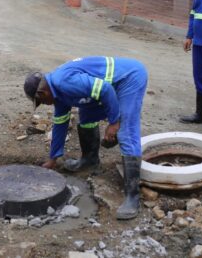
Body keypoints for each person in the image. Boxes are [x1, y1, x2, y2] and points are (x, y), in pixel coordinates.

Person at [24, 56, 148, 220]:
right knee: (86, 118)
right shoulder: (57, 93)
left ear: (42, 92)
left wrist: (114, 122)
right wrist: (53, 159)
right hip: (108, 88)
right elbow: (60, 123)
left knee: (126, 131)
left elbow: (105, 89)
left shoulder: (64, 82)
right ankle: (90, 160)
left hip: (128, 78)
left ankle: (132, 197)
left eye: (40, 101)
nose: (44, 105)